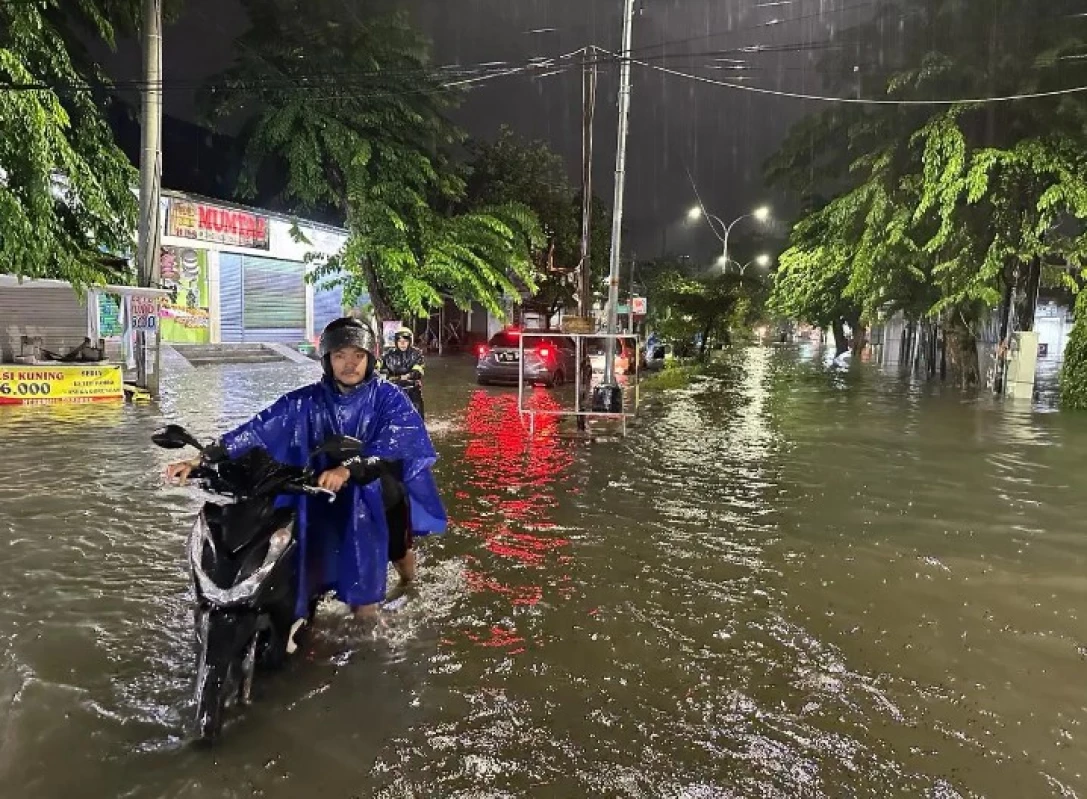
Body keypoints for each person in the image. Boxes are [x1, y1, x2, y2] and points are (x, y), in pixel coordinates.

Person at [165, 317, 446, 621]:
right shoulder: (306, 400)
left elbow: (395, 444)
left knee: (391, 563)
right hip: (320, 491)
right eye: (340, 356)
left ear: (370, 358)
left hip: (378, 494)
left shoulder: (389, 397)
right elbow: (259, 428)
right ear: (327, 360)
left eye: (358, 356)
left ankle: (405, 589)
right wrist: (204, 457)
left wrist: (349, 468)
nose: (349, 364)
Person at [379, 326, 426, 419]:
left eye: (405, 341)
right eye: (400, 341)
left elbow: (418, 372)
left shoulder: (417, 354)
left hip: (412, 392)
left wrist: (402, 377)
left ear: (410, 342)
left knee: (416, 420)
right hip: (393, 392)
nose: (402, 344)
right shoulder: (388, 355)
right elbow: (378, 366)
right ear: (396, 342)